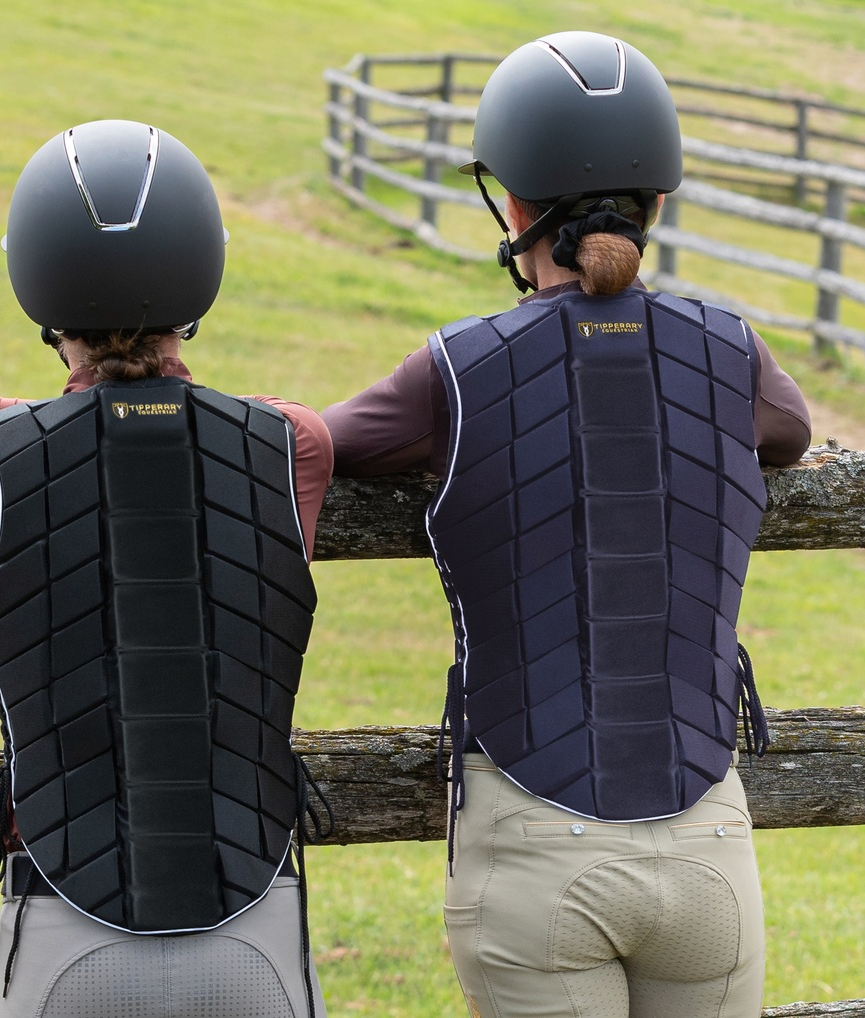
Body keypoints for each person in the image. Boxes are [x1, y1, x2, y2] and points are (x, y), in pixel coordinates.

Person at [322, 32, 811, 1018]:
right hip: (707, 844)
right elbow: (790, 430)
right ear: (657, 205)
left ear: (511, 207)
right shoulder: (732, 349)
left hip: (534, 838)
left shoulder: (454, 368)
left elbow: (319, 445)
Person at [0, 119, 333, 1018]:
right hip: (256, 925)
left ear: (38, 284)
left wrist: (61, 414)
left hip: (65, 927)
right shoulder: (292, 446)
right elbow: (247, 413)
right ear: (202, 270)